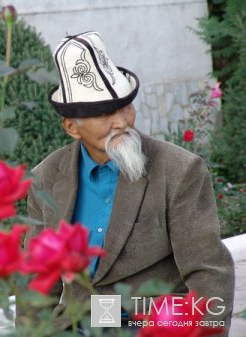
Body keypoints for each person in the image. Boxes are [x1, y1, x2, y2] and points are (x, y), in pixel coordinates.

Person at [15, 31, 235, 336]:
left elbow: (209, 272)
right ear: (71, 127)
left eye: (125, 106)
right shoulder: (45, 178)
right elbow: (37, 282)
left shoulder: (180, 171)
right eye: (105, 114)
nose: (122, 121)